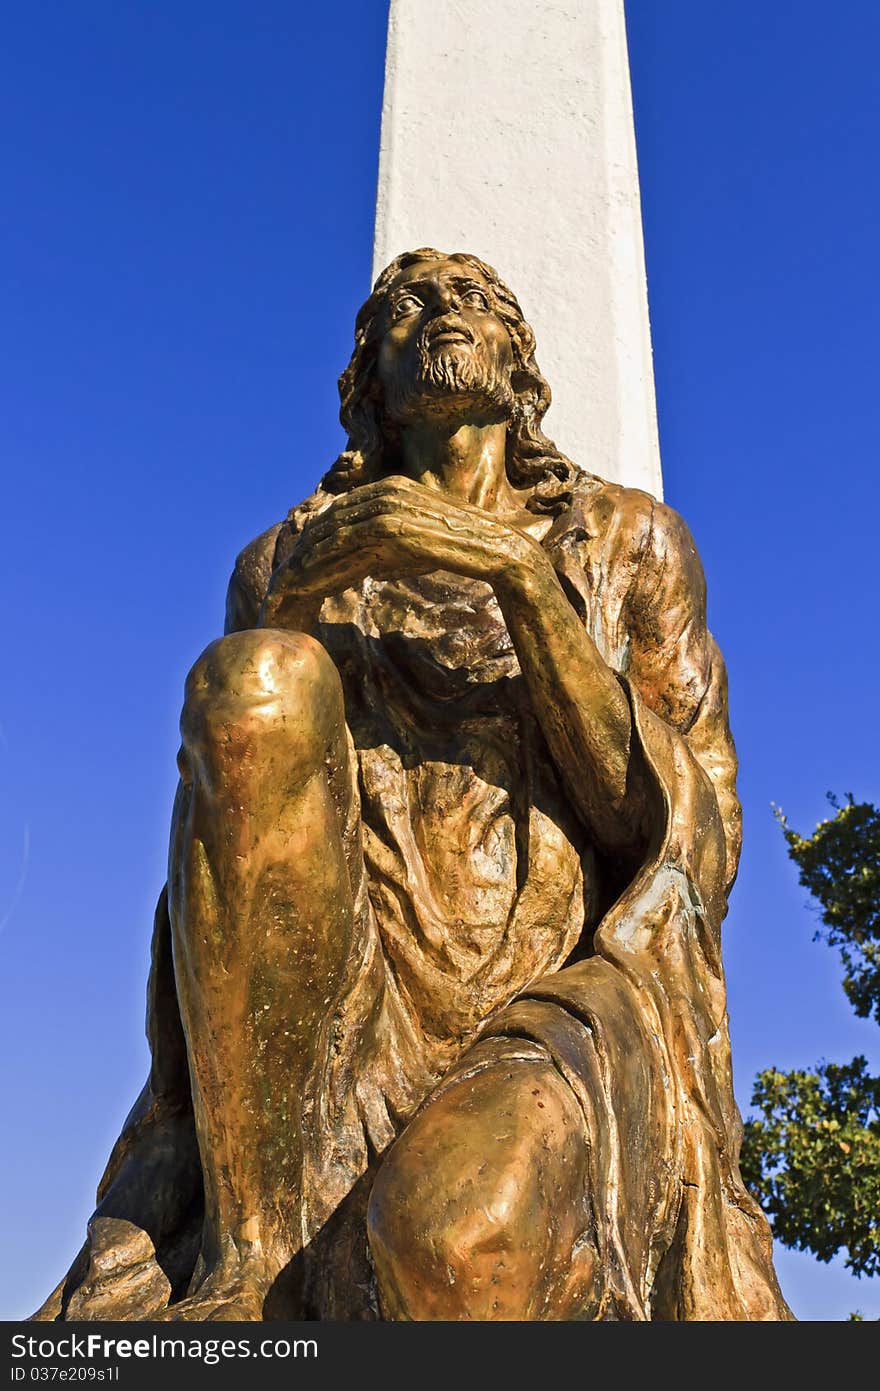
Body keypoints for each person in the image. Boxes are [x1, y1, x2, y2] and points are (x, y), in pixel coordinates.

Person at [35, 249, 792, 1321]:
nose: (443, 312)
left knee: (451, 1244)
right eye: (408, 306)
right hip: (347, 988)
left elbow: (690, 837)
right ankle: (248, 1260)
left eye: (476, 300)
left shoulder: (627, 542)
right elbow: (237, 836)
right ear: (367, 385)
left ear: (522, 375)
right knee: (254, 676)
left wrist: (520, 578)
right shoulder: (286, 560)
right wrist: (294, 608)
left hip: (550, 993)